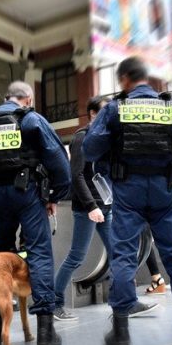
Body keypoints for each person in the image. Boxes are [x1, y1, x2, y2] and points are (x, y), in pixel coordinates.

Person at [83, 56, 172, 345]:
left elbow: (89, 149)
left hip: (127, 192)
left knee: (124, 254)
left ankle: (121, 330)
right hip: (164, 190)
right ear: (145, 77)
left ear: (124, 79)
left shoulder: (115, 109)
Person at [0, 81, 71, 345]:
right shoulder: (31, 119)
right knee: (39, 254)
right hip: (29, 193)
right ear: (28, 99)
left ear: (6, 97)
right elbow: (59, 162)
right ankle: (46, 332)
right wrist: (55, 195)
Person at [54, 96, 156, 321]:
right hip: (88, 209)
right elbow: (77, 175)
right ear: (92, 114)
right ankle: (55, 303)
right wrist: (91, 206)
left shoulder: (106, 139)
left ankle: (125, 303)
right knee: (76, 257)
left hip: (107, 206)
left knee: (118, 254)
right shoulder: (82, 138)